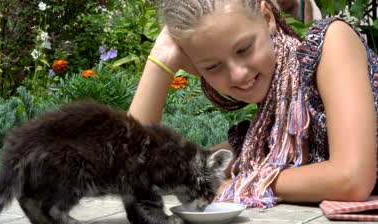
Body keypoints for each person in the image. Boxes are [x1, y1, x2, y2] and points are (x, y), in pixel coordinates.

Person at [128, 0, 378, 208]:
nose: (238, 74)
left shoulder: (333, 42)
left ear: (267, 17)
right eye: (213, 66)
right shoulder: (264, 135)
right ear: (195, 67)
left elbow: (352, 178)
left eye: (244, 49)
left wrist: (242, 183)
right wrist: (160, 59)